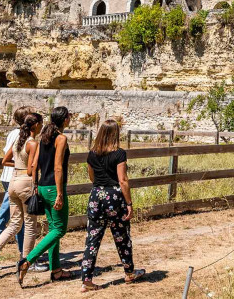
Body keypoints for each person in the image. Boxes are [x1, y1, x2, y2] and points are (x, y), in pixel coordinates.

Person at [0, 106, 47, 272]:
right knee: (29, 225)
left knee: (14, 224)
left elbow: (5, 160)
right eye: (41, 123)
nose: (43, 126)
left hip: (13, 181)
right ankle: (27, 262)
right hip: (25, 183)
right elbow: (32, 169)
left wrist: (19, 166)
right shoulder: (33, 143)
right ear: (35, 125)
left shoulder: (17, 140)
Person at [80, 120, 145, 292]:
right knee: (122, 236)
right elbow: (123, 180)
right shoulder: (119, 154)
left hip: (96, 196)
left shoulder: (91, 154)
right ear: (115, 134)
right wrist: (129, 203)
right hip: (114, 196)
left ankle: (86, 279)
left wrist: (101, 188)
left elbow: (91, 177)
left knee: (92, 239)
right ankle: (129, 272)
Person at [18, 106, 71, 286]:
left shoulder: (43, 138)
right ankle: (27, 260)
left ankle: (55, 270)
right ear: (65, 120)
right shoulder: (61, 138)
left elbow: (33, 166)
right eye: (69, 116)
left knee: (53, 229)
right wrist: (60, 194)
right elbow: (58, 167)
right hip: (54, 188)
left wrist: (35, 187)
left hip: (41, 187)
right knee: (59, 229)